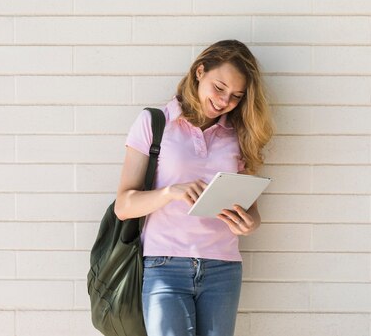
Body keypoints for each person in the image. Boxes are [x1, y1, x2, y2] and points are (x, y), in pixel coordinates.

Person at [114, 40, 274, 336]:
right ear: (200, 71)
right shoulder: (155, 122)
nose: (225, 101)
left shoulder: (237, 136)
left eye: (236, 96)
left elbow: (251, 210)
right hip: (164, 265)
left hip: (222, 268)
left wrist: (249, 223)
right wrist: (170, 192)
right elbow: (123, 206)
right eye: (219, 87)